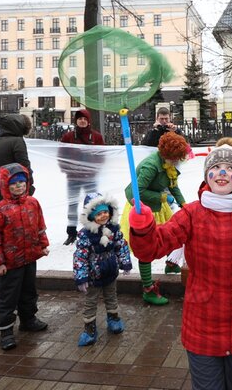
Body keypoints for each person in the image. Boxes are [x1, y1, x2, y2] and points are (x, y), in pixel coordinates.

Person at [128, 137, 232, 390]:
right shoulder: (192, 214)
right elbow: (153, 248)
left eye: (231, 168)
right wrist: (144, 229)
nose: (222, 172)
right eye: (216, 167)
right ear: (206, 175)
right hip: (202, 328)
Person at [0, 163, 50, 351]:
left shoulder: (33, 203)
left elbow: (40, 227)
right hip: (10, 263)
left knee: (29, 291)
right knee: (8, 296)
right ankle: (5, 330)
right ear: (5, 185)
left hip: (29, 257)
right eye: (14, 183)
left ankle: (28, 319)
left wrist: (42, 245)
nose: (19, 186)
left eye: (22, 182)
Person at [122, 131, 191, 305]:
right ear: (168, 155)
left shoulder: (168, 164)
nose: (178, 162)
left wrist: (184, 204)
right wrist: (162, 198)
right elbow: (137, 192)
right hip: (143, 210)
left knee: (170, 234)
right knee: (146, 249)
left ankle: (171, 263)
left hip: (158, 207)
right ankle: (148, 289)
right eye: (176, 159)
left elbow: (173, 185)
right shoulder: (151, 166)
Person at [73, 192, 132, 346]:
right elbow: (80, 257)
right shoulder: (86, 236)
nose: (103, 216)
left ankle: (113, 318)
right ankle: (89, 329)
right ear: (91, 216)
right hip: (94, 275)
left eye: (105, 212)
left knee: (111, 296)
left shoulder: (113, 230)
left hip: (110, 272)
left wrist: (124, 263)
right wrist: (82, 276)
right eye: (98, 213)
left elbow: (121, 246)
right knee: (91, 301)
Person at [59, 108, 105, 245]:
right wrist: (68, 170)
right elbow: (62, 155)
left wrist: (93, 169)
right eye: (80, 119)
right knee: (72, 204)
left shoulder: (96, 137)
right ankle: (71, 232)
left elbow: (101, 156)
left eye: (85, 119)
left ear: (88, 121)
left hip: (90, 177)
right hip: (73, 178)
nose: (82, 121)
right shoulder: (68, 137)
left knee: (93, 204)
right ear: (76, 121)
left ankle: (93, 230)